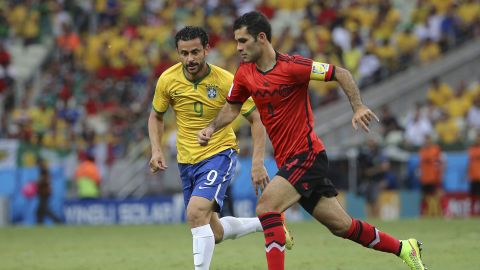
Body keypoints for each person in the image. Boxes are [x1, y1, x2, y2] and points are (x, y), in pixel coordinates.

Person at [198, 11, 426, 270]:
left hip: (307, 155)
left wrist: (358, 106)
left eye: (243, 41)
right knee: (343, 226)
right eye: (236, 41)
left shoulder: (294, 67)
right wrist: (211, 127)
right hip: (290, 162)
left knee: (267, 208)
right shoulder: (244, 73)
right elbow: (232, 108)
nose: (238, 47)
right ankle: (404, 247)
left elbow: (341, 73)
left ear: (261, 38)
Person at [148, 26, 292, 270]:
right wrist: (156, 150)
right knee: (212, 232)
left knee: (195, 213)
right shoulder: (168, 80)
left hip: (219, 154)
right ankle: (266, 223)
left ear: (206, 49)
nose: (190, 59)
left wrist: (257, 162)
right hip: (186, 160)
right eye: (184, 53)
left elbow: (257, 119)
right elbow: (156, 116)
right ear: (178, 53)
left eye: (195, 52)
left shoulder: (226, 80)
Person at [357, 138, 391, 219]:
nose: (369, 142)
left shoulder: (380, 153)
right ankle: (371, 220)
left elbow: (385, 166)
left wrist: (372, 171)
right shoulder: (366, 153)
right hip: (368, 181)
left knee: (375, 200)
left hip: (377, 180)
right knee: (368, 201)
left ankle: (377, 219)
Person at [418, 135, 444, 217]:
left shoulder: (436, 149)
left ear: (431, 140)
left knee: (436, 196)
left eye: (428, 140)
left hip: (433, 177)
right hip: (425, 178)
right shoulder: (422, 151)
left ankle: (438, 212)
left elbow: (440, 162)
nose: (427, 142)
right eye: (425, 140)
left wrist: (440, 174)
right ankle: (424, 213)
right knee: (424, 196)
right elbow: (421, 164)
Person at [36, 158, 62, 225]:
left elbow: (46, 180)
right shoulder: (43, 170)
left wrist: (39, 182)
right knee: (41, 209)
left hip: (45, 193)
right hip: (43, 192)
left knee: (44, 209)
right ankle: (39, 223)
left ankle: (57, 220)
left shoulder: (44, 170)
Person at [468, 133, 480, 216]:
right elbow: (470, 162)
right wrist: (468, 173)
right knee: (472, 195)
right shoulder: (471, 149)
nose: (477, 140)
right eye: (476, 138)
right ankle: (472, 212)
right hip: (473, 176)